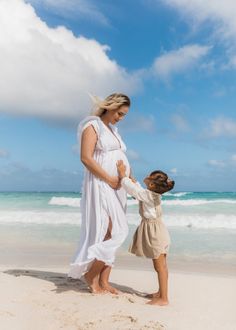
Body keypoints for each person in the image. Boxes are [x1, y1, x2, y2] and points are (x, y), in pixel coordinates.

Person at [68, 93, 131, 294]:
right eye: (119, 113)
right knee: (111, 230)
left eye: (124, 115)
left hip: (118, 187)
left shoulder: (114, 131)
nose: (120, 118)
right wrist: (109, 179)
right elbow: (86, 158)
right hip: (101, 184)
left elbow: (120, 156)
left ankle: (104, 281)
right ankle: (91, 275)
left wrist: (130, 179)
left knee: (113, 230)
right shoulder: (92, 125)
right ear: (110, 107)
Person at [116, 160, 175, 305]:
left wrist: (123, 175)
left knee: (160, 266)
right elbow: (139, 191)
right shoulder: (151, 193)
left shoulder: (148, 195)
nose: (147, 175)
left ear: (152, 185)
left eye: (150, 176)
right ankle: (160, 293)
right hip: (158, 231)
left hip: (156, 234)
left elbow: (135, 191)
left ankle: (164, 298)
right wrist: (133, 181)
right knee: (160, 266)